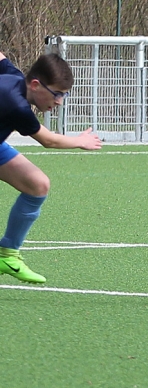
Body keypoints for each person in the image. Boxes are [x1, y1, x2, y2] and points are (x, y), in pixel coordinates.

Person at [0, 52, 102, 284]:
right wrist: (80, 141)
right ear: (36, 85)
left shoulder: (13, 75)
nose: (59, 102)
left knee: (37, 184)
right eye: (57, 94)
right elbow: (49, 140)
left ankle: (7, 255)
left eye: (63, 95)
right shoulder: (17, 106)